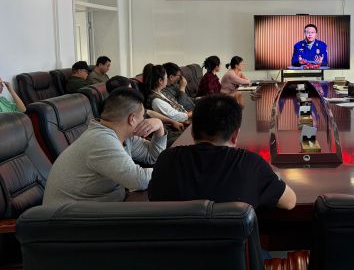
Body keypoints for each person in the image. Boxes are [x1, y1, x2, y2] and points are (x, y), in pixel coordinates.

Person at [148, 94, 296, 211]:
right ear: (235, 135)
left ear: (192, 132)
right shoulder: (251, 164)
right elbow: (289, 202)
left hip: (175, 242)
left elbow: (154, 199)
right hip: (233, 243)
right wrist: (270, 176)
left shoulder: (166, 159)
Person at [42, 88, 167, 206]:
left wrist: (159, 127)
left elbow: (153, 156)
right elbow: (139, 180)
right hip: (69, 217)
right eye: (143, 117)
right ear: (132, 119)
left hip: (99, 207)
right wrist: (169, 169)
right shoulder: (101, 140)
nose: (144, 120)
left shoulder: (123, 135)